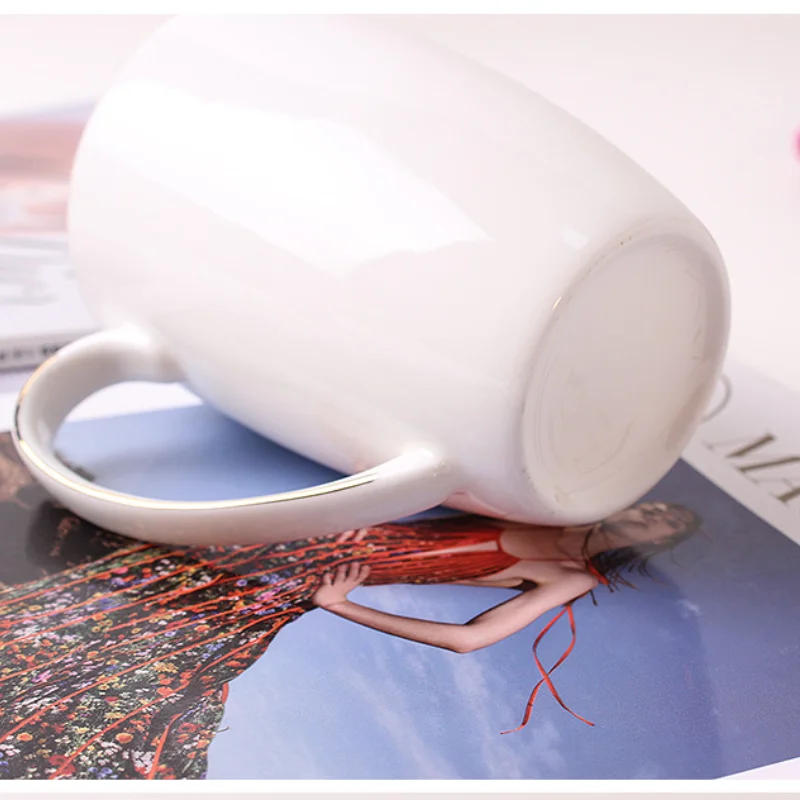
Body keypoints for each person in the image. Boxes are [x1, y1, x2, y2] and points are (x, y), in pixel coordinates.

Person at [0, 437, 700, 779]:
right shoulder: (544, 496)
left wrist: (341, 606)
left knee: (102, 667)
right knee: (83, 597)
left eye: (669, 523)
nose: (656, 514)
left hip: (269, 589)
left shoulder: (570, 574)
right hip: (264, 539)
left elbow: (469, 641)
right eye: (659, 503)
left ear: (661, 542)